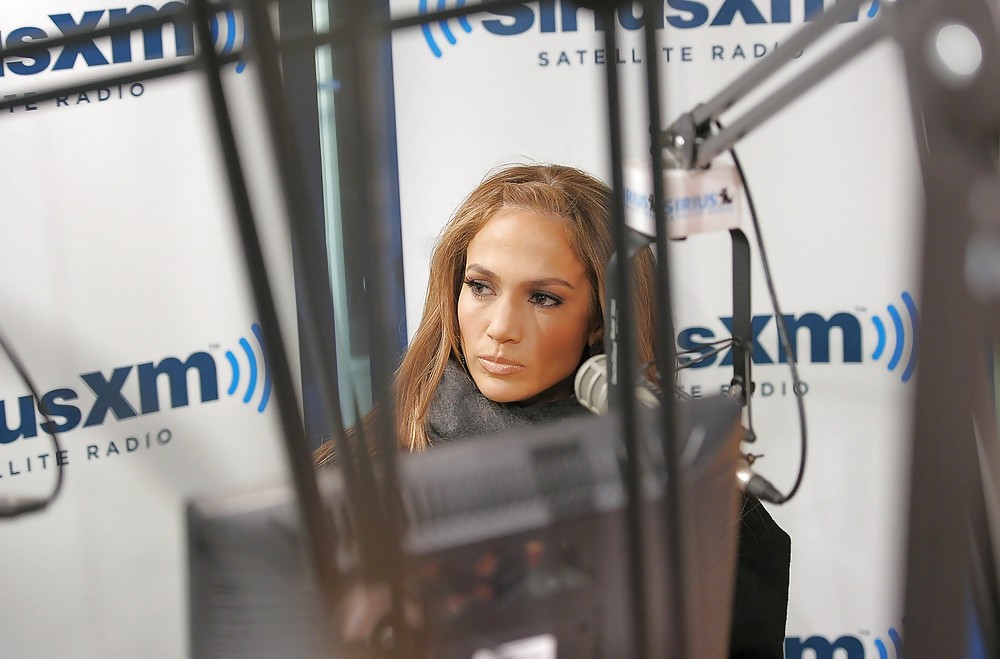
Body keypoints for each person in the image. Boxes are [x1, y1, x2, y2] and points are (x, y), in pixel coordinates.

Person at [315, 163, 789, 658]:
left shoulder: (685, 483)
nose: (501, 327)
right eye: (480, 286)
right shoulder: (359, 478)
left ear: (600, 321)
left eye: (543, 298)